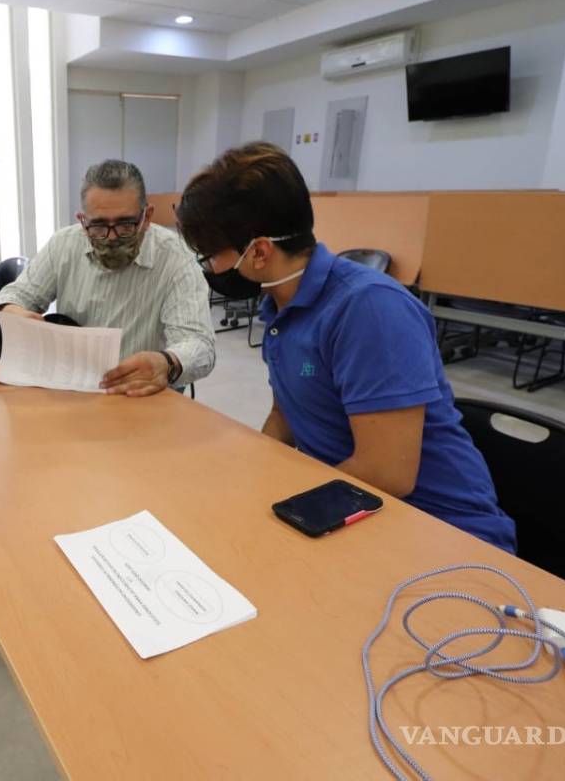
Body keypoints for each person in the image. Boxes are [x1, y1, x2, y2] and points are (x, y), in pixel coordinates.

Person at [175, 141, 515, 553]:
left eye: (210, 257)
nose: (210, 270)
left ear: (259, 251)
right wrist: (249, 474)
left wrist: (285, 511)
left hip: (438, 531)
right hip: (352, 505)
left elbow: (387, 472)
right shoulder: (280, 304)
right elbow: (287, 414)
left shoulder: (369, 308)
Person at [0, 159, 215, 396]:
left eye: (125, 224)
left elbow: (200, 345)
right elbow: (14, 295)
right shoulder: (64, 244)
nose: (111, 237)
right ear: (82, 220)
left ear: (147, 216)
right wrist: (13, 311)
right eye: (98, 226)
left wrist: (167, 362)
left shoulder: (175, 258)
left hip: (141, 394)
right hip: (73, 387)